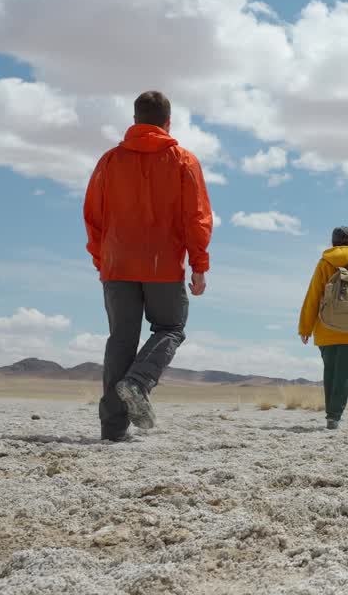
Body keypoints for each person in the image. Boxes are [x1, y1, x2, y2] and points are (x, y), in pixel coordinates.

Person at [83, 91, 213, 442]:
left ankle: (112, 430)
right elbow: (196, 218)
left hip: (117, 263)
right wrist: (199, 264)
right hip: (163, 265)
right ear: (168, 122)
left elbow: (93, 217)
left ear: (136, 120)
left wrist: (103, 259)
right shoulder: (183, 161)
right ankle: (138, 382)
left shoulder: (109, 161)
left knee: (121, 340)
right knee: (171, 326)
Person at [298, 226, 348, 430]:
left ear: (333, 243)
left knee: (330, 372)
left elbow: (313, 296)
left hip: (326, 329)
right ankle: (334, 417)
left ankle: (330, 416)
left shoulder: (324, 264)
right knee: (345, 374)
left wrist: (305, 328)